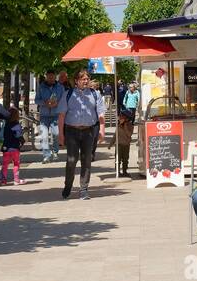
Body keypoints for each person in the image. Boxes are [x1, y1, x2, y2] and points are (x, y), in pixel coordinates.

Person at [58, 69, 105, 200]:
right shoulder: (68, 94)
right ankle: (68, 185)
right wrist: (61, 134)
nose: (86, 81)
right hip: (71, 131)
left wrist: (102, 130)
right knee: (72, 160)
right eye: (83, 79)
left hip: (89, 132)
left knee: (87, 160)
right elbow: (61, 116)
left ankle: (84, 189)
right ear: (76, 81)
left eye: (87, 79)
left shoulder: (95, 94)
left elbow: (100, 114)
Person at [36, 68, 65, 163]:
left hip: (56, 114)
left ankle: (55, 151)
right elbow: (36, 100)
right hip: (44, 115)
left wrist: (57, 103)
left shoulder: (60, 87)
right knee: (44, 136)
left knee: (56, 134)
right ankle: (46, 156)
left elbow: (63, 99)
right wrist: (45, 102)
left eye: (52, 77)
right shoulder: (41, 87)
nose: (51, 79)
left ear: (55, 77)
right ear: (46, 77)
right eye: (49, 77)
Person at [0, 108, 24, 186]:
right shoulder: (16, 124)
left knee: (5, 165)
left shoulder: (5, 125)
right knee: (16, 164)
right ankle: (16, 180)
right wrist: (22, 141)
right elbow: (18, 135)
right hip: (15, 148)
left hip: (6, 147)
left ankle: (3, 180)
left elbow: (1, 135)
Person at [115, 112, 133, 177]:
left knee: (125, 159)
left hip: (126, 145)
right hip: (118, 145)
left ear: (126, 118)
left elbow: (129, 134)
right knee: (118, 159)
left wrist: (125, 125)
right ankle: (118, 172)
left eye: (122, 117)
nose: (120, 118)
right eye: (120, 117)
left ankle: (125, 171)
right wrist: (110, 144)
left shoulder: (130, 125)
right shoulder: (118, 125)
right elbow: (115, 135)